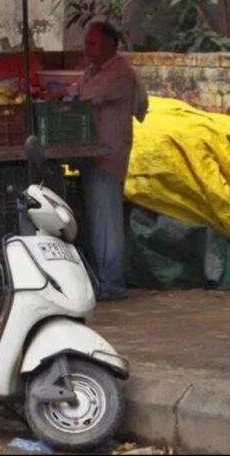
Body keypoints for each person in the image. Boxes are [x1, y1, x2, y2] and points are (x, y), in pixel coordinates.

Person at [60, 22, 149, 301]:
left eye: (93, 43)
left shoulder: (120, 72)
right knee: (97, 220)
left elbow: (88, 96)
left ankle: (112, 281)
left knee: (106, 222)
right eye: (87, 43)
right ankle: (103, 278)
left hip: (108, 156)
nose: (87, 49)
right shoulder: (93, 70)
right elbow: (78, 90)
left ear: (111, 44)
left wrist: (67, 94)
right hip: (92, 156)